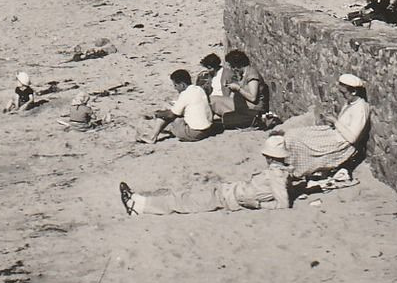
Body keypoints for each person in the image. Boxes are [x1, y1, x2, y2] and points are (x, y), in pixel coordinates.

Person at [120, 134, 292, 216]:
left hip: (228, 199)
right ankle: (139, 201)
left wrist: (257, 205)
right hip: (226, 192)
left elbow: (283, 205)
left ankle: (138, 206)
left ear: (269, 156)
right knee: (184, 197)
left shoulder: (276, 175)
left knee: (182, 201)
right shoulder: (281, 172)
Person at [269, 72, 372, 181]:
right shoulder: (351, 103)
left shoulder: (360, 109)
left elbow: (352, 138)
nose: (342, 95)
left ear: (354, 92)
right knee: (292, 134)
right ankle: (288, 163)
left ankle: (295, 169)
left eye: (344, 92)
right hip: (334, 133)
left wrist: (335, 122)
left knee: (299, 141)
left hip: (340, 142)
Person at [139, 68, 217, 144]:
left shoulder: (185, 94)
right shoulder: (198, 89)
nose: (175, 88)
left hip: (194, 133)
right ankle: (156, 132)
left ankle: (152, 136)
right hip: (208, 129)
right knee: (172, 110)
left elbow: (171, 114)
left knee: (168, 114)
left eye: (175, 85)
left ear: (182, 85)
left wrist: (156, 114)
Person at [218, 49, 269, 129]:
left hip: (252, 109)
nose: (232, 70)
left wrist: (238, 89)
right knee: (215, 102)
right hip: (243, 106)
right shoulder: (244, 73)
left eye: (232, 67)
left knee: (224, 117)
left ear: (237, 66)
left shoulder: (252, 75)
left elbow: (253, 98)